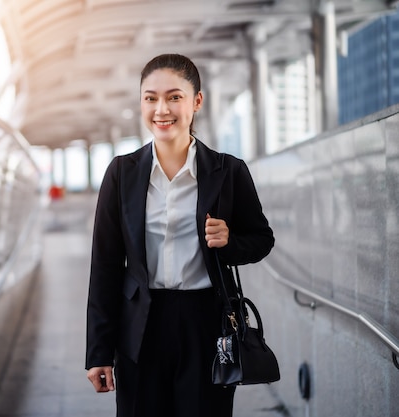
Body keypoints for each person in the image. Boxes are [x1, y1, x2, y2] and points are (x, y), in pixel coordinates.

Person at [85, 53, 275, 417]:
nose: (161, 109)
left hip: (206, 323)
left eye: (174, 96)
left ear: (197, 101)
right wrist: (98, 352)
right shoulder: (121, 174)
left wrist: (229, 240)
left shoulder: (228, 171)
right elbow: (105, 267)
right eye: (150, 98)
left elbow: (262, 239)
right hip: (140, 326)